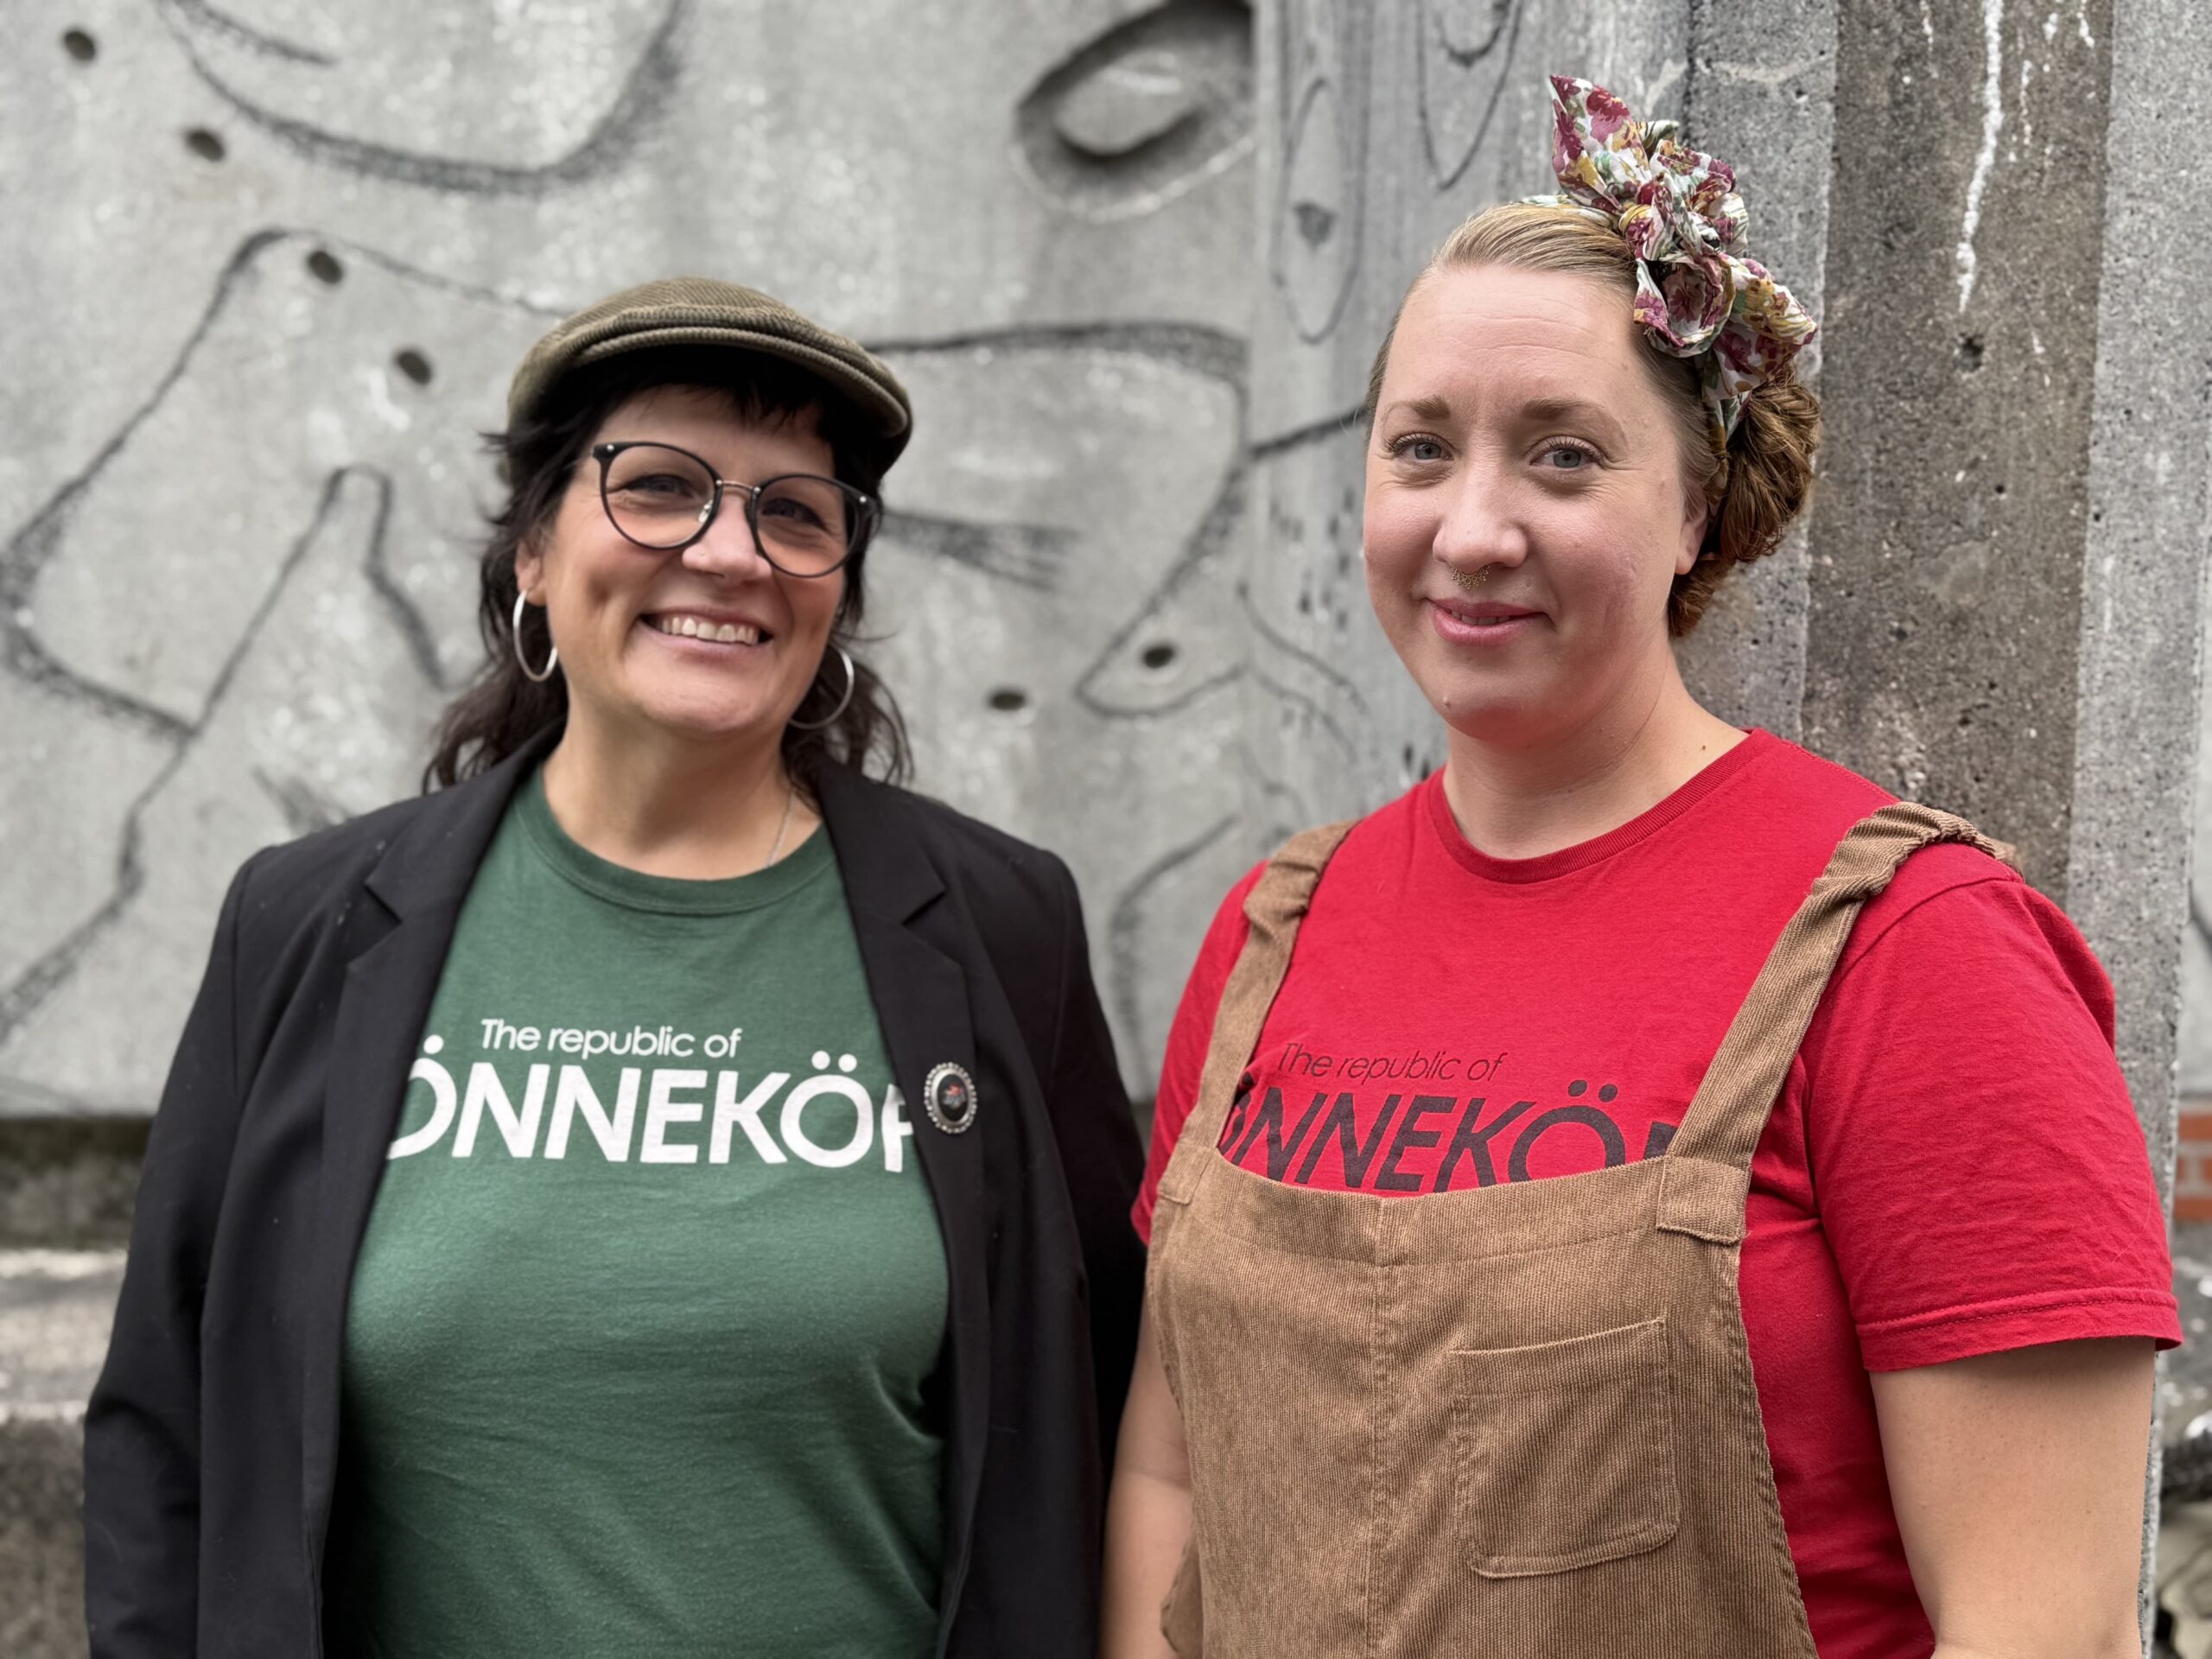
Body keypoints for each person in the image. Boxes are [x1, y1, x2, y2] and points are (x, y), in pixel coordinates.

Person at [1102, 78, 2177, 1659]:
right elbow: (1172, 1474)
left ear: (1699, 514)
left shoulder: (1918, 950)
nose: (1473, 529)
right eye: (1420, 448)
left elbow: (2043, 1628)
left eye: (1562, 456)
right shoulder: (1277, 931)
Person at [84, 278, 1145, 1659]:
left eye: (795, 513)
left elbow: (1107, 1410)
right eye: (658, 488)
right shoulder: (306, 924)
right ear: (533, 550)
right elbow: (166, 1426)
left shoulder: (999, 928)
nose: (731, 551)